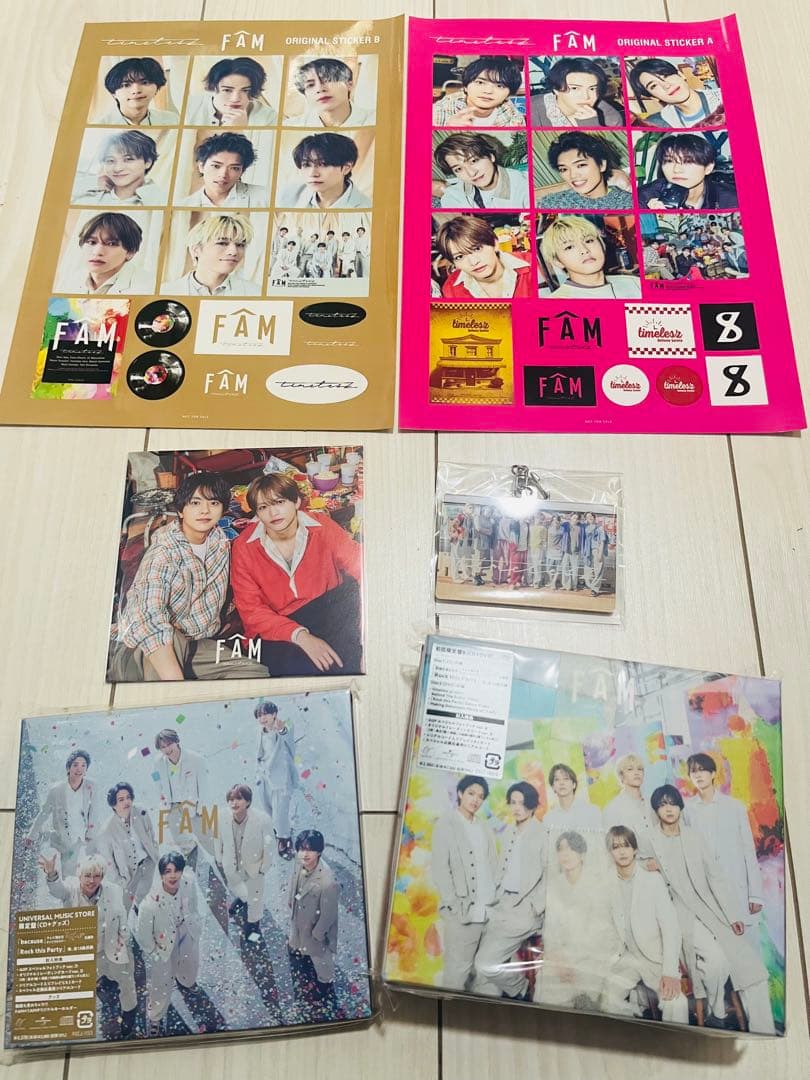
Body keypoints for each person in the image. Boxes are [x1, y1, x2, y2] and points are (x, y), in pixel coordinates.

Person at [111, 470, 266, 681]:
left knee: (254, 672)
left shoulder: (219, 543)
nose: (205, 510)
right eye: (195, 503)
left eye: (213, 503)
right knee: (170, 641)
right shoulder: (164, 552)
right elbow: (148, 616)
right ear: (181, 510)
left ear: (223, 510)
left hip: (195, 642)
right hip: (149, 645)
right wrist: (175, 682)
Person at [649, 785, 775, 1033]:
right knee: (717, 961)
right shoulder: (649, 841)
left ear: (680, 807)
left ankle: (762, 1030)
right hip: (680, 915)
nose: (669, 809)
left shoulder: (694, 837)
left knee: (750, 968)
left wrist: (732, 915)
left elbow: (715, 877)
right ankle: (716, 1011)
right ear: (656, 810)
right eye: (662, 805)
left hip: (712, 911)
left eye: (672, 803)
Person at [230, 472, 363, 677]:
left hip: (327, 609)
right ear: (256, 513)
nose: (273, 513)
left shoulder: (321, 526)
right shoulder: (243, 547)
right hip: (277, 624)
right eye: (263, 507)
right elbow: (251, 610)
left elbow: (360, 565)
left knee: (354, 659)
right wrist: (300, 636)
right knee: (301, 672)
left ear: (296, 502)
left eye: (279, 502)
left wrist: (368, 628)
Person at [39, 852, 138, 1036]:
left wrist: (123, 941)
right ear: (79, 875)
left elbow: (122, 918)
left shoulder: (114, 891)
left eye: (97, 876)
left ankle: (129, 1012)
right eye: (87, 875)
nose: (92, 881)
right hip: (84, 950)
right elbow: (57, 890)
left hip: (111, 947)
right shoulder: (71, 888)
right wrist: (51, 874)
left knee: (126, 980)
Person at [603, 826, 688, 1023]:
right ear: (610, 853)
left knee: (677, 1003)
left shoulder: (653, 880)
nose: (622, 852)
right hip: (625, 958)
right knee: (604, 1000)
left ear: (635, 849)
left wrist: (670, 972)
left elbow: (671, 929)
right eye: (616, 847)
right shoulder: (606, 883)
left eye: (626, 846)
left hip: (654, 959)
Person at [473, 782, 547, 1000]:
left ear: (533, 805)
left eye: (523, 803)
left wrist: (535, 907)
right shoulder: (509, 832)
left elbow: (551, 875)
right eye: (513, 802)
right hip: (501, 904)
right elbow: (501, 870)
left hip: (524, 910)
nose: (517, 808)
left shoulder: (542, 834)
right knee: (479, 964)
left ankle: (522, 989)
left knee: (484, 963)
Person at [534, 831, 617, 1009]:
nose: (565, 854)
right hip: (561, 957)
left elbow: (602, 932)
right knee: (544, 989)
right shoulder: (555, 885)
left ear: (582, 854)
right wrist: (558, 959)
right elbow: (551, 929)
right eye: (561, 849)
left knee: (582, 997)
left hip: (591, 957)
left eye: (571, 849)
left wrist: (573, 961)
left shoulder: (597, 884)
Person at [431, 775, 497, 990]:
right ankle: (449, 1008)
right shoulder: (446, 824)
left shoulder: (484, 827)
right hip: (462, 911)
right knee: (457, 972)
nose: (475, 800)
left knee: (483, 975)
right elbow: (440, 868)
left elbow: (492, 865)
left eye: (480, 796)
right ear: (460, 793)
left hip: (488, 910)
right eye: (471, 793)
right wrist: (453, 903)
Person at [684, 753, 764, 930]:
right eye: (693, 772)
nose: (698, 775)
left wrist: (755, 894)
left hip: (735, 883)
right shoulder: (687, 810)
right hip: (706, 888)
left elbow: (748, 850)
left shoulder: (735, 807)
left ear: (713, 774)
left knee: (742, 938)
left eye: (702, 770)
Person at [136, 852, 202, 1037]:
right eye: (168, 871)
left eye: (177, 870)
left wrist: (195, 924)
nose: (173, 876)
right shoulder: (149, 904)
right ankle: (155, 1017)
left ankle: (186, 981)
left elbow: (193, 906)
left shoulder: (188, 883)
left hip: (186, 930)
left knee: (190, 962)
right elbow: (143, 936)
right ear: (161, 875)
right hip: (163, 943)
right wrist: (155, 954)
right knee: (161, 981)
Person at [214, 784, 274, 941]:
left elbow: (269, 846)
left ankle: (253, 926)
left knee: (255, 900)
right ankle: (242, 899)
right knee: (238, 887)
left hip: (254, 867)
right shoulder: (221, 816)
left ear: (248, 801)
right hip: (232, 865)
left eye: (239, 799)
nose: (234, 803)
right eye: (231, 799)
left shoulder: (262, 820)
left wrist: (263, 868)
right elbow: (217, 837)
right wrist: (219, 857)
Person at [287, 829, 339, 1004]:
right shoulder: (299, 862)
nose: (305, 854)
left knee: (320, 959)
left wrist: (318, 934)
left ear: (319, 851)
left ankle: (325, 985)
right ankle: (299, 949)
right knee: (297, 938)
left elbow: (328, 915)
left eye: (310, 849)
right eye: (302, 849)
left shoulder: (327, 881)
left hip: (314, 927)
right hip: (299, 916)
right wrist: (290, 900)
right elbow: (294, 880)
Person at [27, 749, 97, 877]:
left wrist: (90, 834)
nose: (79, 769)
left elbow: (92, 812)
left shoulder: (91, 786)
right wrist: (32, 834)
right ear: (68, 768)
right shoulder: (56, 790)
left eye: (83, 765)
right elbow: (44, 813)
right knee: (67, 874)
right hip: (63, 837)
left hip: (82, 837)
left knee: (86, 872)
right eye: (75, 765)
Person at [540, 215, 641, 299]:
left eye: (589, 241)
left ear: (602, 245)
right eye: (569, 247)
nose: (584, 250)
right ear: (557, 261)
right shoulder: (555, 302)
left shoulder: (634, 283)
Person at [160, 212, 260, 296]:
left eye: (240, 245)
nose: (234, 251)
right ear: (196, 250)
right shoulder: (165, 292)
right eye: (222, 243)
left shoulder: (255, 293)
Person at [436, 215, 532, 299]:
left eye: (477, 249)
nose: (474, 262)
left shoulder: (533, 265)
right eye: (459, 257)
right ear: (453, 263)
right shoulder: (450, 290)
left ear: (495, 244)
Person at [153, 728, 212, 863]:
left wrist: (200, 809)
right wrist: (163, 806)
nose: (167, 749)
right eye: (163, 747)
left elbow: (204, 787)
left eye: (169, 744)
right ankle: (198, 867)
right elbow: (157, 783)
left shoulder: (196, 759)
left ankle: (222, 864)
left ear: (177, 741)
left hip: (194, 806)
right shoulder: (158, 762)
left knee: (208, 840)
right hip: (172, 807)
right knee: (183, 843)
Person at [98, 781, 158, 911]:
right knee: (124, 909)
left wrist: (154, 856)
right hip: (128, 875)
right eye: (121, 799)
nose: (126, 802)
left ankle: (140, 916)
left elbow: (151, 834)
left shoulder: (141, 811)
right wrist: (121, 882)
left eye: (128, 797)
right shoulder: (106, 830)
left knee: (145, 900)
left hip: (148, 863)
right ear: (113, 805)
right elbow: (108, 863)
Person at [638, 134, 737, 209]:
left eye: (688, 161)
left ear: (708, 168)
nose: (676, 170)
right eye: (669, 161)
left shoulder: (731, 199)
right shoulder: (644, 196)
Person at [433, 132, 530, 209]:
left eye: (474, 161)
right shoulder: (453, 197)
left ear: (491, 156)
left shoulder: (525, 185)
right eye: (458, 169)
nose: (471, 173)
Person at [539, 131, 633, 210]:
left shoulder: (629, 203)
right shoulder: (550, 204)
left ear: (602, 165)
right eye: (564, 169)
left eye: (581, 165)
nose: (572, 175)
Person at [68, 211, 153, 295]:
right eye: (91, 242)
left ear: (130, 252)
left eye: (111, 244)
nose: (97, 252)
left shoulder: (148, 287)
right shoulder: (71, 280)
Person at [279, 132, 372, 209]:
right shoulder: (288, 196)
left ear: (346, 168)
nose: (313, 173)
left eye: (323, 164)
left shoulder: (366, 207)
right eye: (306, 165)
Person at [74, 130, 165, 206]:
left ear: (148, 162)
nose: (117, 168)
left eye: (128, 159)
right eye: (110, 160)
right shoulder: (88, 199)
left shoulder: (158, 199)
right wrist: (95, 182)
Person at [254, 700, 298, 859]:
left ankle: (284, 840)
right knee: (269, 809)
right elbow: (259, 754)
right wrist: (260, 771)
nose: (262, 718)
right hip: (264, 778)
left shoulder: (285, 727)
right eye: (259, 715)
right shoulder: (260, 732)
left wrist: (282, 730)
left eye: (265, 714)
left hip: (281, 778)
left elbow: (287, 736)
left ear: (274, 714)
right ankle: (279, 832)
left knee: (280, 812)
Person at [179, 132, 269, 208]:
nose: (223, 175)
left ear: (242, 171)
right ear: (201, 166)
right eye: (216, 166)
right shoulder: (184, 205)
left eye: (234, 168)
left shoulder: (265, 197)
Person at [628, 58, 723, 128]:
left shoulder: (723, 98)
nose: (666, 85)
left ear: (680, 74)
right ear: (653, 97)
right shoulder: (657, 124)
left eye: (666, 75)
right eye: (654, 86)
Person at [432, 56, 524, 127]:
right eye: (480, 82)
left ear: (508, 94)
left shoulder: (514, 118)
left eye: (500, 86)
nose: (488, 91)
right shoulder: (439, 111)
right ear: (465, 86)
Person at [531, 57, 624, 127]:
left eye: (592, 89)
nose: (586, 97)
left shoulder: (611, 118)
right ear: (556, 89)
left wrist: (592, 123)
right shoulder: (533, 108)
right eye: (575, 88)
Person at [185, 57, 277, 126]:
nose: (235, 99)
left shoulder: (269, 118)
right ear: (214, 87)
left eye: (245, 90)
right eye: (227, 90)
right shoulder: (189, 107)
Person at [289, 57, 376, 127]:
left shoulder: (374, 119)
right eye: (310, 85)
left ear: (349, 84)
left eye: (329, 80)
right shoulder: (291, 125)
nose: (320, 89)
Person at [602, 753, 656, 862]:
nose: (636, 773)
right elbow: (610, 848)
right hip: (633, 867)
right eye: (630, 769)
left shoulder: (653, 802)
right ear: (621, 776)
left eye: (640, 769)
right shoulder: (612, 808)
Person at [95, 57, 178, 126]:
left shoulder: (172, 120)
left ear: (157, 88)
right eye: (126, 85)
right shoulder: (98, 126)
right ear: (113, 93)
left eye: (145, 82)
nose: (136, 90)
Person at [543, 762, 601, 832]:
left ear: (574, 785)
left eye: (566, 779)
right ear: (553, 787)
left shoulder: (592, 811)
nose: (561, 783)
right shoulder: (549, 818)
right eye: (557, 779)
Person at [583, 511, 610, 597]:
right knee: (588, 570)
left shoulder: (599, 527)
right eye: (587, 517)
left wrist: (600, 553)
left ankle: (595, 589)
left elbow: (602, 541)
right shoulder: (586, 528)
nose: (589, 518)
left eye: (591, 516)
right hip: (588, 550)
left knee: (598, 570)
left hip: (597, 549)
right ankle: (591, 585)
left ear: (594, 517)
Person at [560, 511, 586, 591]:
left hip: (576, 551)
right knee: (565, 568)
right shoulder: (566, 525)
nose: (575, 520)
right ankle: (566, 585)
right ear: (571, 518)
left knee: (575, 569)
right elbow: (559, 524)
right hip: (566, 550)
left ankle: (574, 586)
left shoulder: (581, 527)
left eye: (577, 518)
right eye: (574, 518)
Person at [545, 514, 564, 589]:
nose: (555, 521)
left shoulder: (562, 529)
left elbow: (564, 539)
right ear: (552, 521)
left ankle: (553, 582)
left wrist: (561, 546)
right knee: (548, 569)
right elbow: (546, 539)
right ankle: (551, 581)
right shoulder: (548, 528)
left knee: (558, 569)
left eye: (557, 520)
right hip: (550, 551)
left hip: (558, 551)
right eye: (554, 520)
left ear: (559, 521)